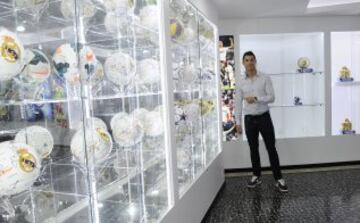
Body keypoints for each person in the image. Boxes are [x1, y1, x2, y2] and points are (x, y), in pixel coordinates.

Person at [235, 51, 288, 192]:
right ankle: (256, 176)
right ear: (243, 63)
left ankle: (279, 179)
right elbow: (238, 103)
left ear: (255, 61)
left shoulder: (265, 78)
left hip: (264, 117)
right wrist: (238, 122)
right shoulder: (240, 81)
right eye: (246, 60)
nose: (249, 62)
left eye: (252, 60)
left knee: (271, 148)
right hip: (249, 119)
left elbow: (272, 97)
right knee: (253, 149)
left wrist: (257, 98)